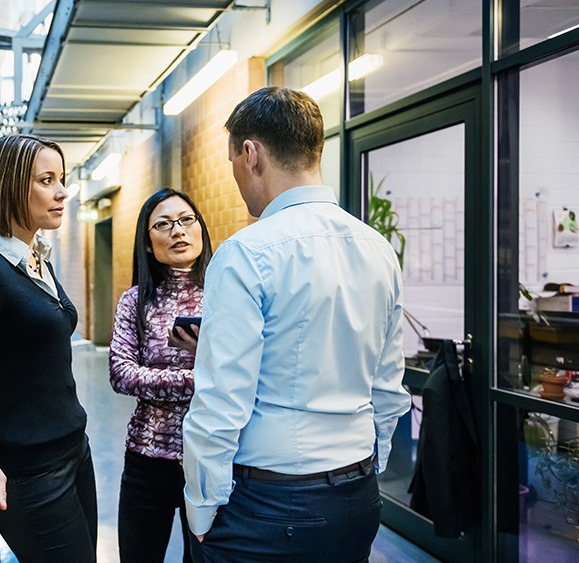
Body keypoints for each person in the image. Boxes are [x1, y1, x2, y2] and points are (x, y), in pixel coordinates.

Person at [182, 86, 412, 563]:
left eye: (231, 164)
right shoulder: (378, 250)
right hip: (358, 495)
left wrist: (201, 508)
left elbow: (221, 400)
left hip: (270, 506)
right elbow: (388, 387)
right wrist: (370, 468)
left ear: (251, 154)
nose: (236, 179)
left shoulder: (245, 254)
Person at [0, 134, 97, 562]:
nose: (62, 191)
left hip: (74, 453)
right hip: (32, 474)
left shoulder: (35, 258)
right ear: (10, 186)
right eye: (47, 180)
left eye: (61, 178)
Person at [109, 189, 213, 563]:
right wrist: (199, 377)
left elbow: (253, 372)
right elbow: (121, 374)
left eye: (187, 220)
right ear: (149, 243)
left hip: (212, 457)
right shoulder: (135, 301)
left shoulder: (228, 294)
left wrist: (195, 364)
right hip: (146, 461)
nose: (178, 231)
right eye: (163, 224)